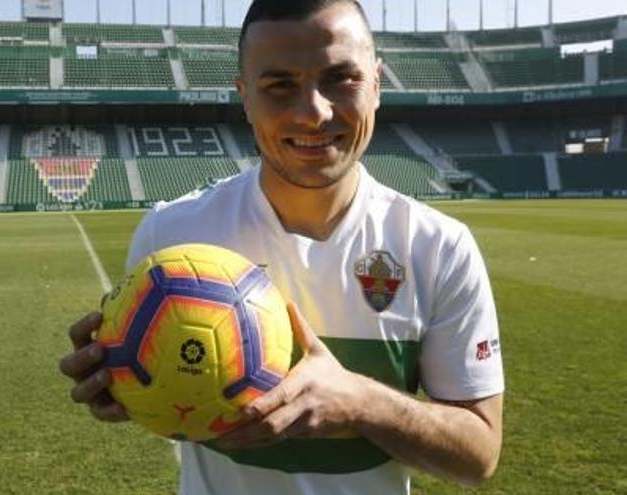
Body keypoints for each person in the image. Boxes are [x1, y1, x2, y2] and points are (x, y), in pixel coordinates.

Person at [59, 0, 505, 493]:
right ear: (245, 97)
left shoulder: (439, 247)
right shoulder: (171, 235)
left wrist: (360, 402)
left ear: (377, 83)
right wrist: (128, 387)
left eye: (341, 79)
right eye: (279, 87)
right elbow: (176, 404)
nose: (313, 112)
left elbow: (479, 454)